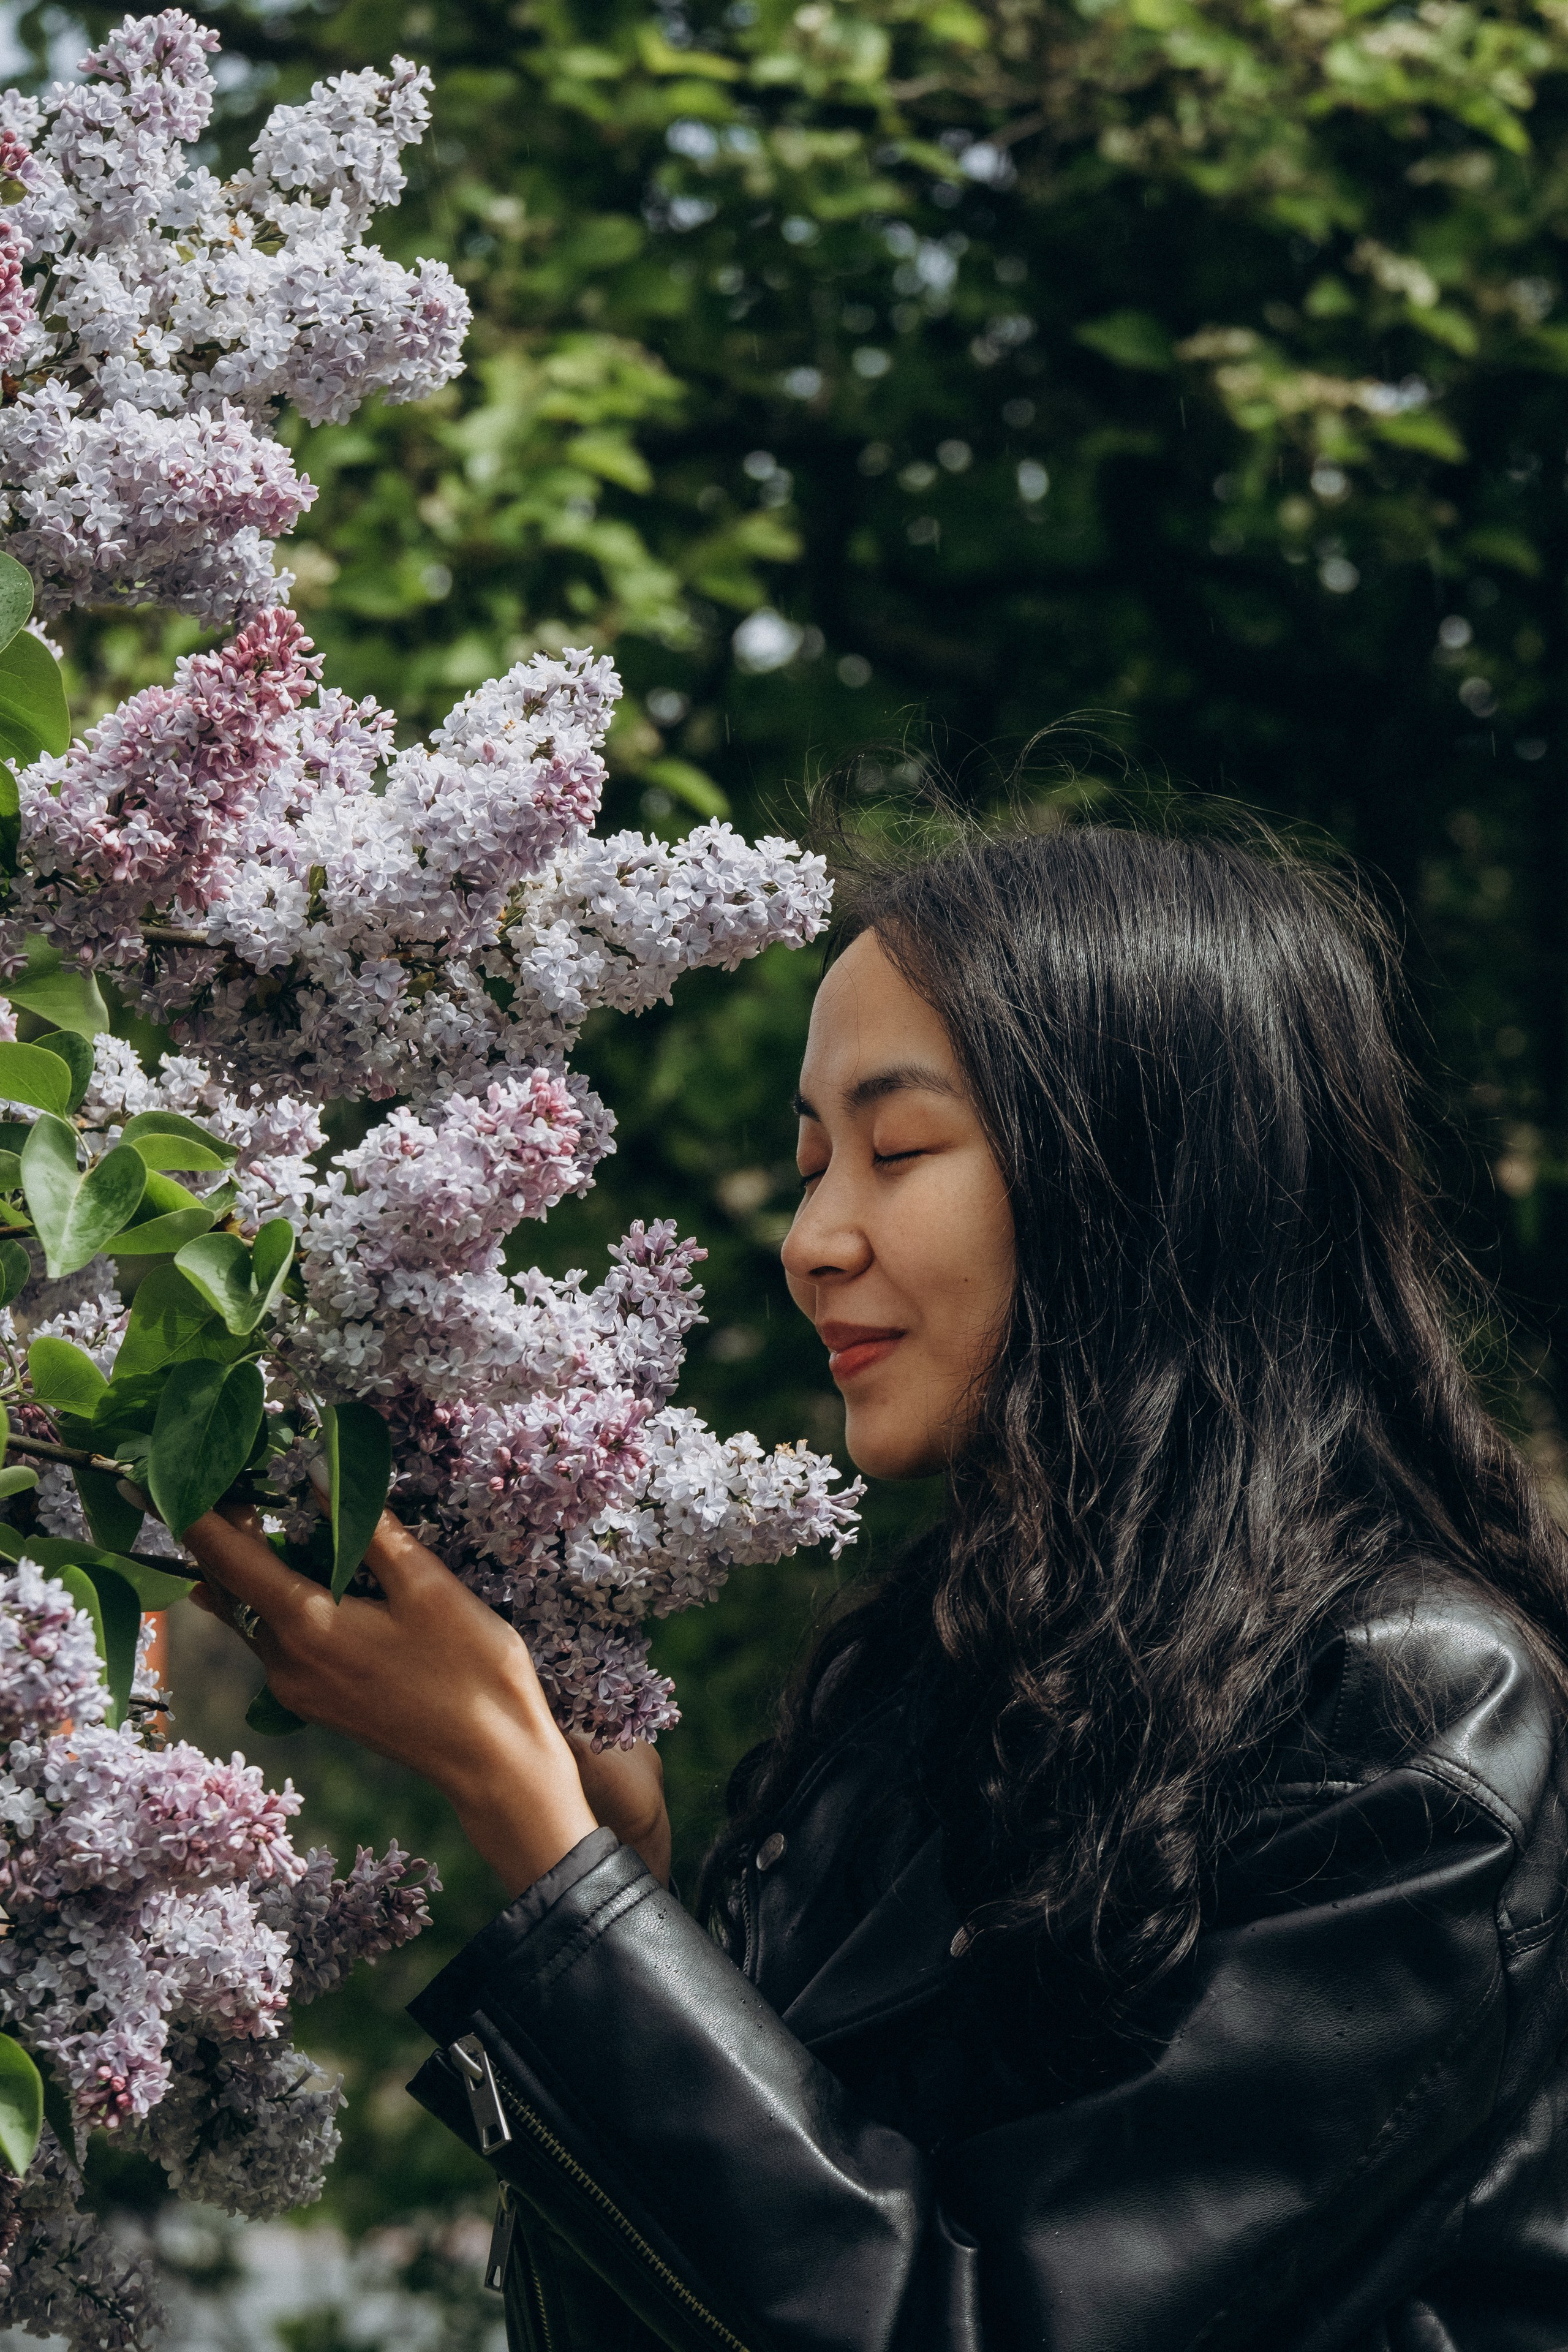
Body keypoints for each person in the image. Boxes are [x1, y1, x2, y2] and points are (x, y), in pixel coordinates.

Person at [184, 821, 1568, 2352]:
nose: (810, 1240)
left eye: (896, 1151)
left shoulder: (1411, 1714)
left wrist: (535, 1833)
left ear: (1139, 1175)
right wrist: (619, 1874)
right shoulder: (937, 1681)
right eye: (807, 1164)